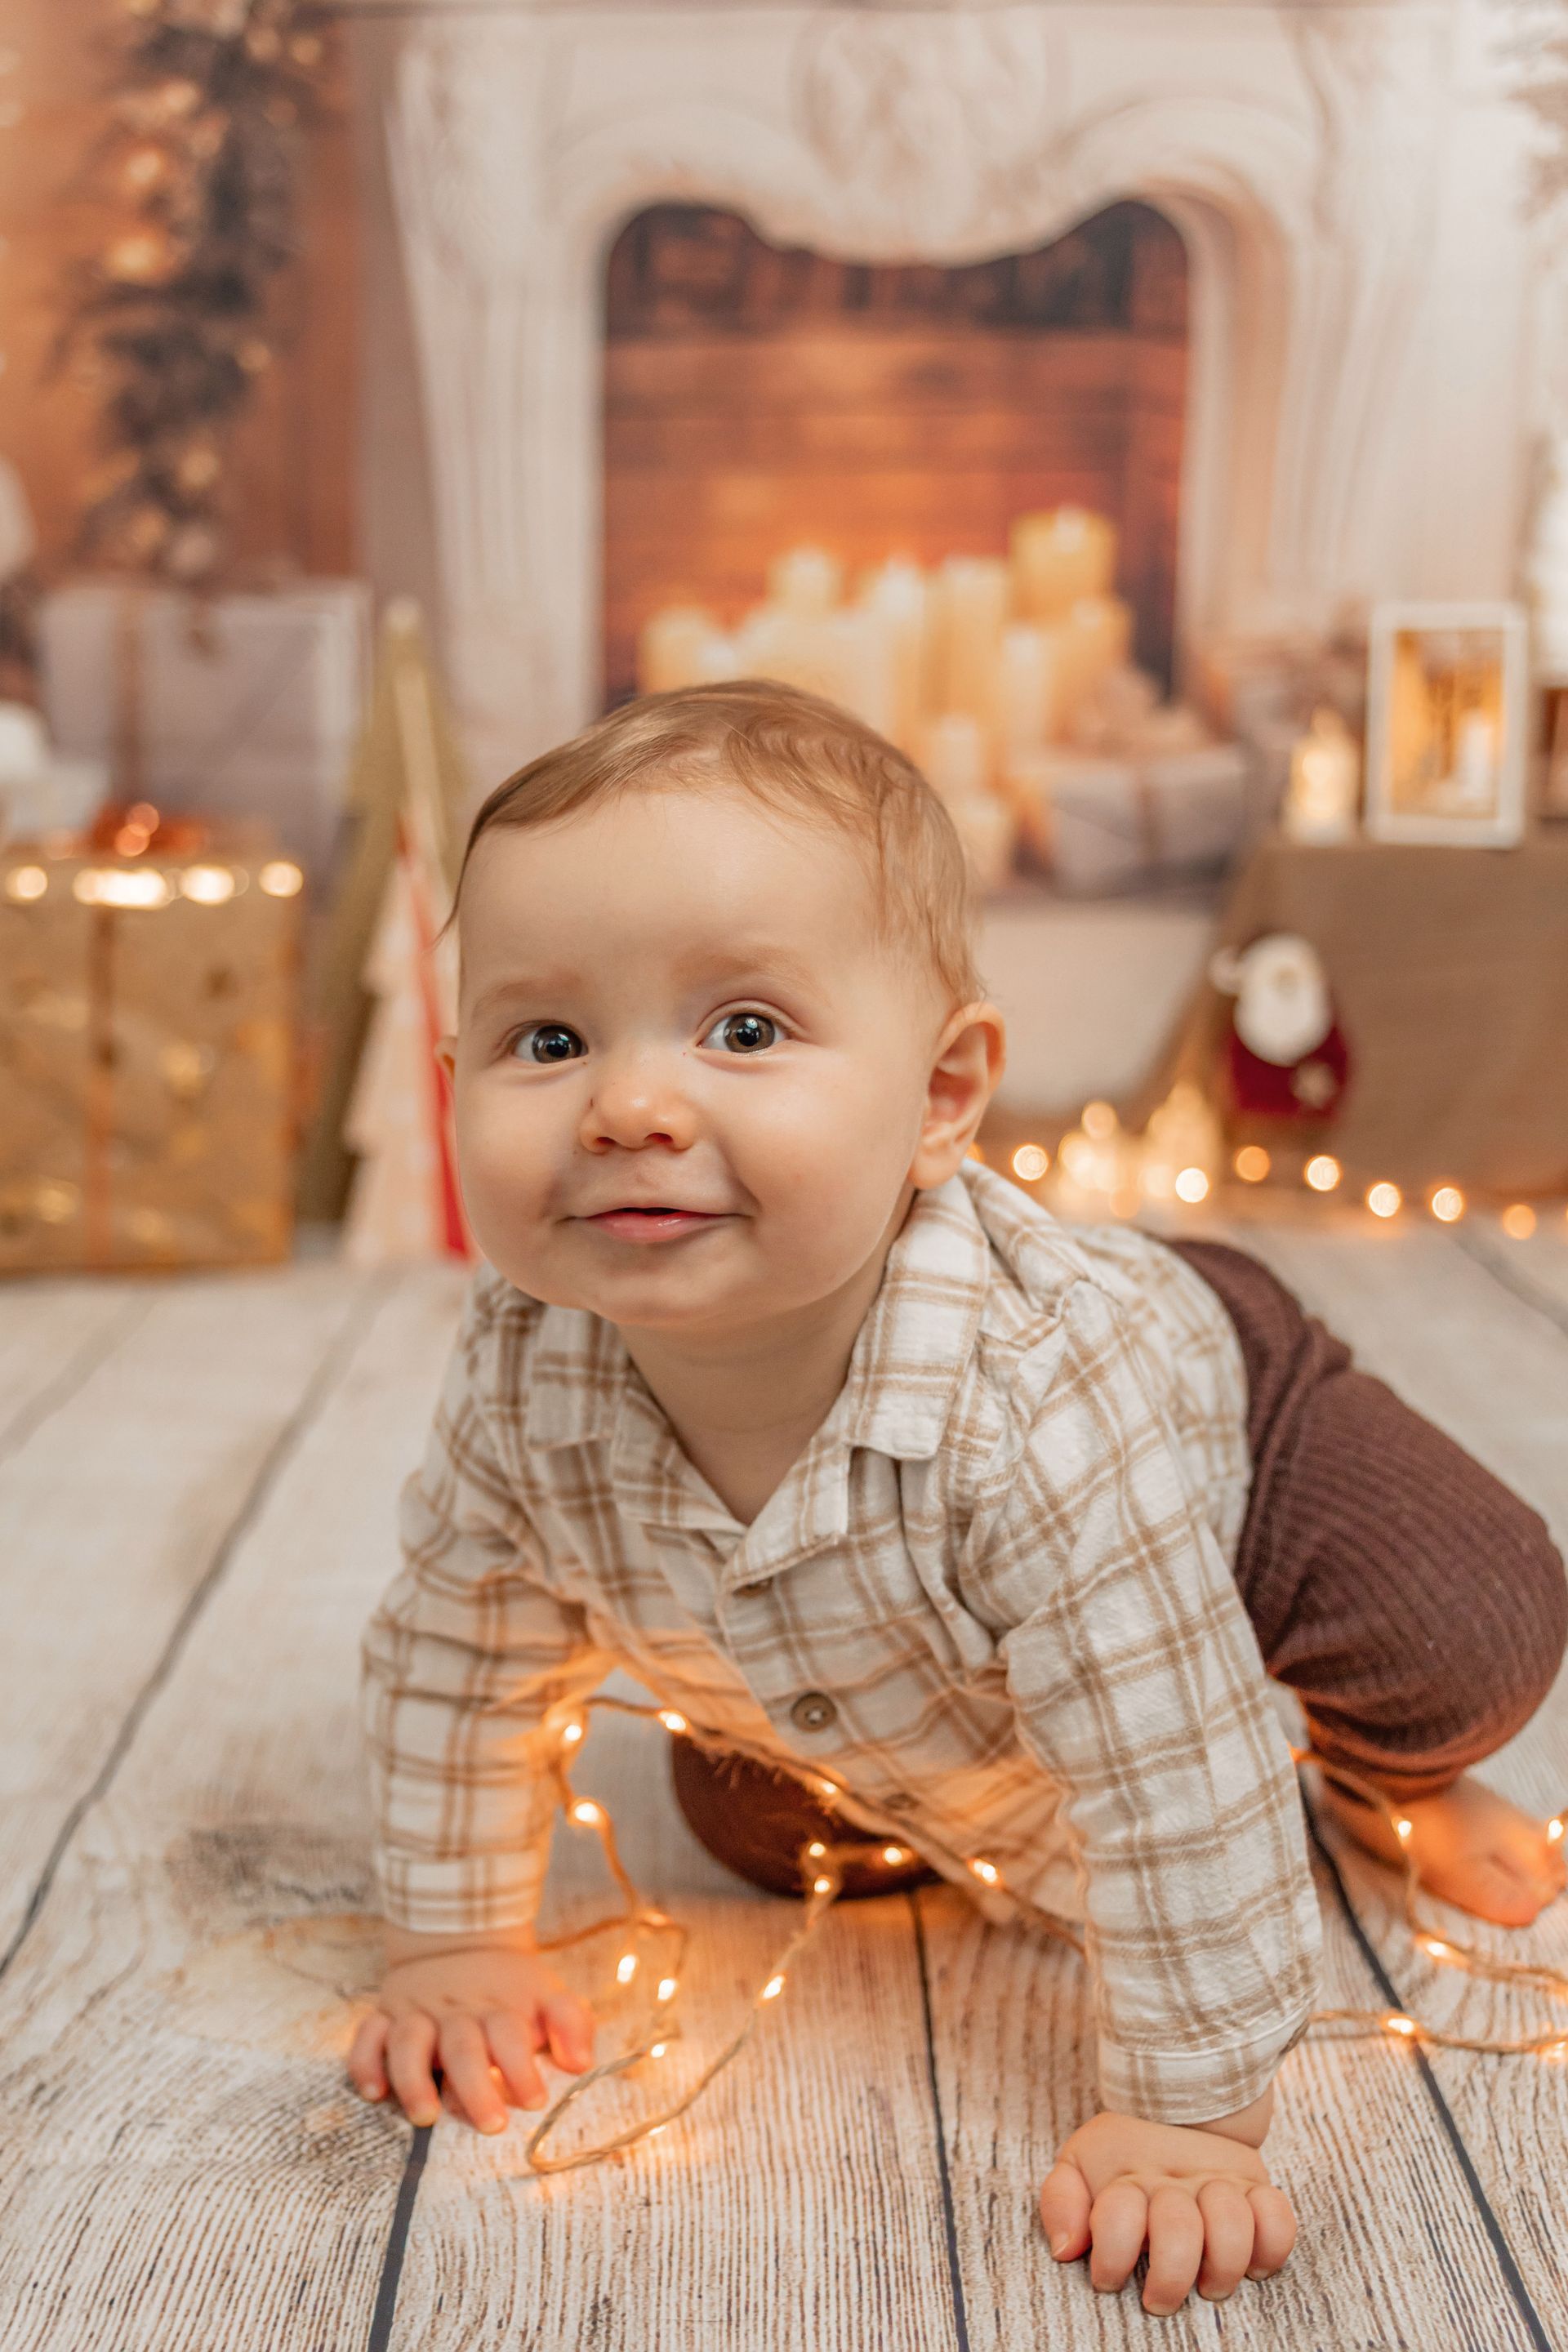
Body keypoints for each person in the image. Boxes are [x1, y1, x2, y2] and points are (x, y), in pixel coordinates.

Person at [350, 680, 1566, 2315]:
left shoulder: (1034, 1413)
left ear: (940, 1098)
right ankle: (947, 1779)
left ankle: (1375, 1771)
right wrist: (454, 1939)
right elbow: (457, 1652)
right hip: (890, 1660)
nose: (627, 1107)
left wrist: (1192, 2116)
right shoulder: (522, 1370)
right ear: (453, 1077)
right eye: (547, 1041)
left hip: (1229, 1424)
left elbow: (1172, 1770)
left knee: (1464, 1630)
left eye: (745, 1029)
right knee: (755, 1831)